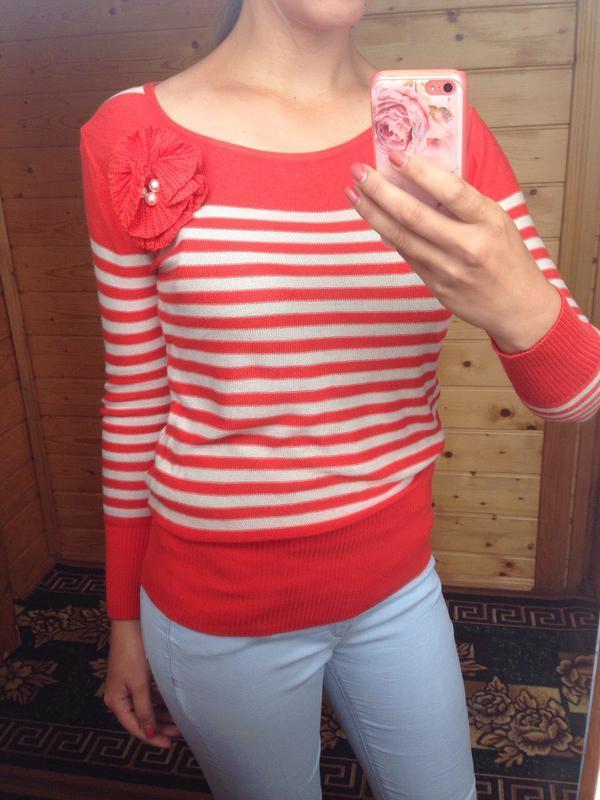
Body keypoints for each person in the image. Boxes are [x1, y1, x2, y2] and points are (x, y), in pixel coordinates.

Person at [79, 1, 600, 798]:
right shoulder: (129, 133)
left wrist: (519, 303)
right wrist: (124, 620)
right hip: (215, 609)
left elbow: (577, 399)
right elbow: (136, 396)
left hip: (397, 589)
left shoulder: (438, 132)